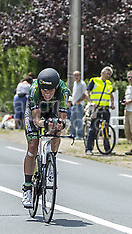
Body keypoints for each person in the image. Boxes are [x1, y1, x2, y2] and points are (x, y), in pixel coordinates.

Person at [22, 68, 69, 208]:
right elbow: (35, 118)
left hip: (52, 110)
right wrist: (39, 122)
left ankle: (51, 160)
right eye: (44, 91)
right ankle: (27, 188)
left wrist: (59, 125)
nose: (47, 94)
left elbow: (62, 117)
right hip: (35, 112)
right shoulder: (35, 88)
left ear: (56, 87)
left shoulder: (63, 90)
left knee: (57, 130)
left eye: (50, 91)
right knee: (32, 147)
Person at [84, 66, 115, 155]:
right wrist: (90, 102)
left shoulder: (109, 83)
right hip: (97, 108)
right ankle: (89, 148)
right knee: (93, 128)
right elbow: (86, 92)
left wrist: (112, 104)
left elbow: (111, 94)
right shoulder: (95, 81)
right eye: (107, 74)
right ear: (102, 74)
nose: (108, 76)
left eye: (109, 74)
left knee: (106, 129)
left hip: (105, 109)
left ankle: (107, 149)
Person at [70, 71, 87, 139]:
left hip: (79, 104)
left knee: (79, 120)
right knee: (73, 119)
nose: (76, 77)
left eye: (77, 75)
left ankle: (80, 135)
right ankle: (72, 134)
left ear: (80, 76)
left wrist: (79, 101)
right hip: (74, 104)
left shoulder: (82, 84)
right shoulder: (75, 83)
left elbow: (85, 94)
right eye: (75, 75)